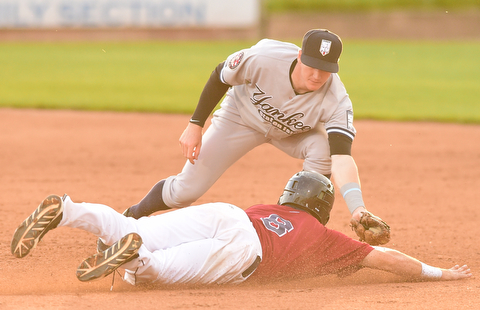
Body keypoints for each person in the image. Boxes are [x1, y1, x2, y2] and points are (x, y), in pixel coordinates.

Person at [11, 171, 471, 286]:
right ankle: (135, 260)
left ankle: (68, 211)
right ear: (322, 206)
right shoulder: (325, 237)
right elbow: (385, 259)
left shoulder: (266, 205)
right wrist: (439, 274)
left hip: (231, 213)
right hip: (245, 253)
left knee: (136, 226)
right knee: (156, 272)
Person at [123, 29, 378, 230]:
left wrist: (358, 208)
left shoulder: (337, 99)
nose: (316, 75)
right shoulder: (264, 57)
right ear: (299, 55)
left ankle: (294, 227)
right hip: (239, 118)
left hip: (294, 135)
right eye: (311, 64)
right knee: (184, 192)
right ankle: (131, 216)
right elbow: (219, 76)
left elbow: (342, 158)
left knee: (324, 148)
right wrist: (195, 124)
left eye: (325, 69)